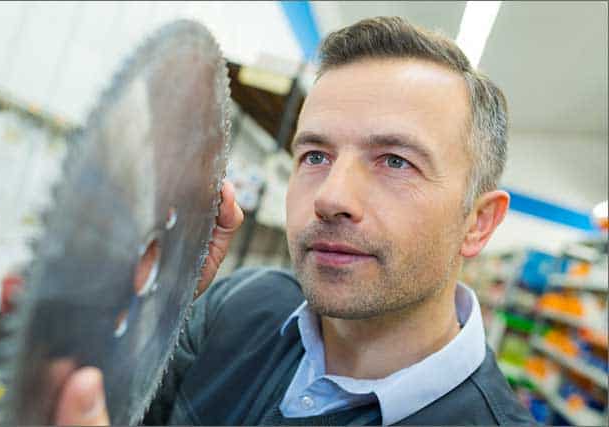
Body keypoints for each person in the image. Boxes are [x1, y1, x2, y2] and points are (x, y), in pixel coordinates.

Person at [53, 16, 535, 425]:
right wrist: (149, 313)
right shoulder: (240, 304)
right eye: (315, 155)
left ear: (478, 222)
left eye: (394, 161)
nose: (330, 197)